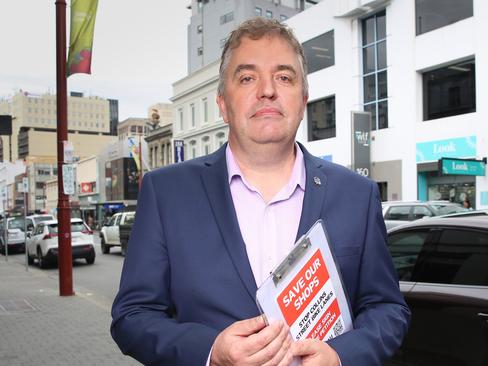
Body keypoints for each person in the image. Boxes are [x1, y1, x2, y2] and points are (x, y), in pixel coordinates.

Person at [111, 18, 410, 366]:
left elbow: (387, 309)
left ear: (303, 100)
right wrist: (210, 352)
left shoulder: (357, 195)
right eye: (248, 77)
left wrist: (341, 357)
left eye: (284, 77)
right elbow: (132, 316)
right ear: (223, 104)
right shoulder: (166, 193)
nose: (267, 90)